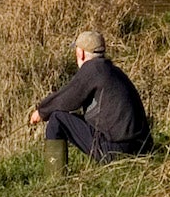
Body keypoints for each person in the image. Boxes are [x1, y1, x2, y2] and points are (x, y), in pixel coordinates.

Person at [28, 30, 152, 162]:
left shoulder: (92, 69)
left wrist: (41, 112)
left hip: (116, 150)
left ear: (80, 53)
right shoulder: (114, 71)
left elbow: (67, 99)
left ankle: (54, 176)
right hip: (142, 147)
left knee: (57, 118)